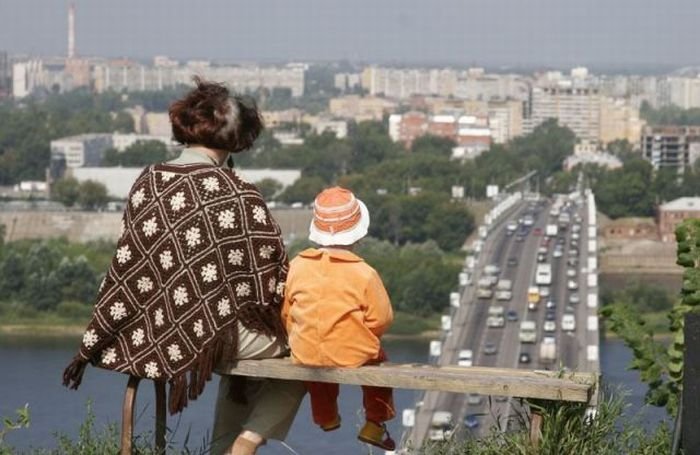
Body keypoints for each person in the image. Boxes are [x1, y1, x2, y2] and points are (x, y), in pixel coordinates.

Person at [63, 77, 305, 455]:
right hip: (204, 339)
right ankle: (245, 441)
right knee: (305, 351)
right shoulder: (238, 193)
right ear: (237, 137)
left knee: (233, 336)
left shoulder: (149, 180)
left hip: (147, 331)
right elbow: (271, 274)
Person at [282, 186, 396, 451]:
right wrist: (362, 334)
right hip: (352, 353)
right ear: (359, 232)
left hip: (304, 351)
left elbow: (287, 312)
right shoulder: (363, 273)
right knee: (378, 365)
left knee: (316, 369)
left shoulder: (297, 266)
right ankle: (375, 423)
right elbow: (382, 319)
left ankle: (326, 417)